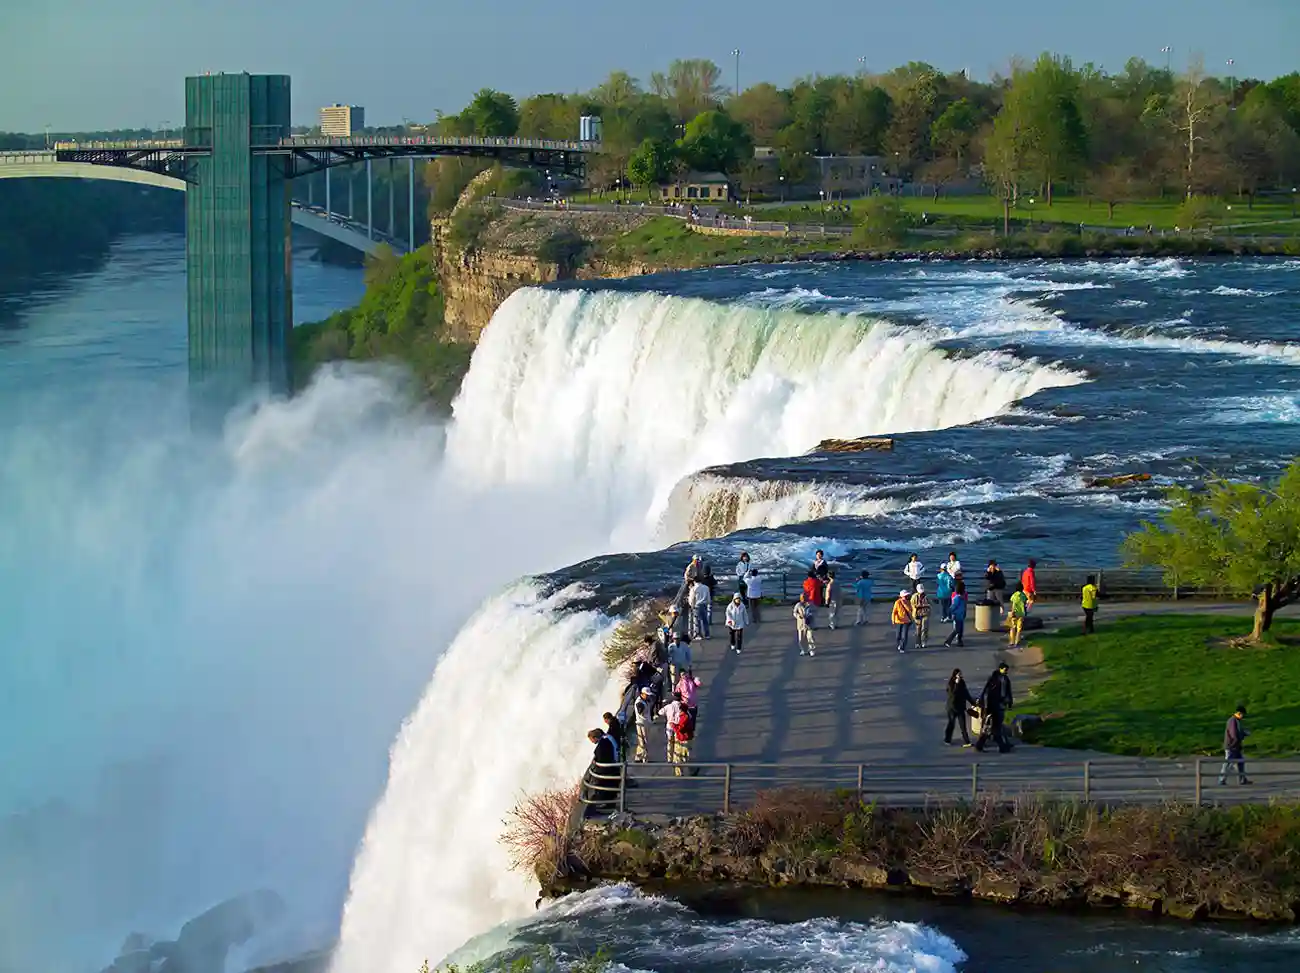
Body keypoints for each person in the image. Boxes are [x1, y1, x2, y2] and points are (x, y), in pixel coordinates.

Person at [976, 663, 1013, 753]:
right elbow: (987, 692)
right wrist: (985, 706)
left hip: (1000, 704)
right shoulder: (994, 679)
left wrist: (1009, 702)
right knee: (993, 728)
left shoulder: (1006, 679)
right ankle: (1002, 746)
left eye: (1006, 669)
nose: (1006, 671)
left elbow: (1008, 691)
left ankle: (980, 745)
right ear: (1000, 669)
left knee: (995, 727)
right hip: (992, 706)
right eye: (1004, 669)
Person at [1219, 705, 1252, 785]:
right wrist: (1243, 735)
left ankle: (1242, 779)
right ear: (1239, 713)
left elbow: (1238, 732)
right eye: (1243, 715)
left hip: (1236, 746)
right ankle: (1222, 779)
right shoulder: (1232, 721)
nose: (1243, 717)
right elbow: (1234, 734)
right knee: (1228, 764)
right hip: (1232, 746)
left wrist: (1244, 733)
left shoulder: (1236, 721)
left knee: (1240, 763)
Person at [945, 668, 976, 746]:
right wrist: (956, 685)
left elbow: (966, 693)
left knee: (963, 725)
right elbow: (952, 695)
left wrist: (973, 703)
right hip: (952, 708)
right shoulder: (951, 684)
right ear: (955, 676)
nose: (960, 676)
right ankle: (947, 739)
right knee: (951, 724)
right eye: (958, 675)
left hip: (960, 708)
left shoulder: (962, 683)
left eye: (960, 675)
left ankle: (967, 741)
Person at [658, 691, 685, 766]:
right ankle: (676, 758)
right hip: (678, 727)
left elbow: (660, 712)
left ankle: (669, 758)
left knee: (670, 742)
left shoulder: (668, 706)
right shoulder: (682, 706)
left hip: (669, 726)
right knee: (677, 743)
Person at [945, 581, 968, 647]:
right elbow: (952, 607)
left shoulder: (960, 598)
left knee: (960, 630)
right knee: (957, 630)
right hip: (957, 616)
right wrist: (951, 614)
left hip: (960, 615)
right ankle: (948, 641)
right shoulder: (957, 599)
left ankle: (959, 641)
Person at [910, 583, 932, 649]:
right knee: (918, 630)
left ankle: (923, 642)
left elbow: (930, 604)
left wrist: (927, 606)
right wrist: (917, 606)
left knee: (924, 629)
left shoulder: (927, 596)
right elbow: (912, 605)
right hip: (917, 614)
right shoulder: (914, 596)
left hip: (925, 614)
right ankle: (917, 642)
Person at [1008, 583, 1028, 648]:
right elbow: (1025, 604)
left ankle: (1012, 642)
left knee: (1013, 627)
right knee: (1019, 628)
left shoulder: (1014, 595)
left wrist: (1012, 611)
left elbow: (1013, 604)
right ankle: (1017, 641)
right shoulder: (1023, 595)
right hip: (1021, 614)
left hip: (1015, 613)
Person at [632, 696, 651, 763]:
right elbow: (639, 711)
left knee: (641, 741)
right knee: (644, 741)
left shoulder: (645, 700)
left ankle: (638, 757)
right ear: (643, 694)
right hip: (641, 723)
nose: (648, 696)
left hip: (644, 722)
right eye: (647, 695)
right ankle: (645, 758)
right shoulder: (639, 702)